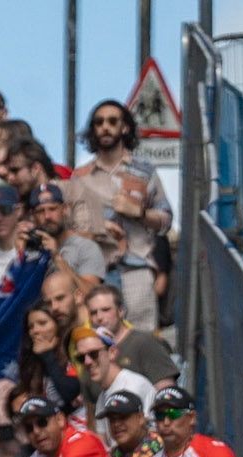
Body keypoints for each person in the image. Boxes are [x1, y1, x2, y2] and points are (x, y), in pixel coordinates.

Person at [65, 101, 172, 331]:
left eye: (112, 121)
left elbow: (165, 219)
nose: (105, 127)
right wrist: (98, 226)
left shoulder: (144, 171)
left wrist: (140, 213)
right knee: (98, 341)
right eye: (99, 122)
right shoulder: (81, 177)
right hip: (97, 273)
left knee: (141, 345)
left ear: (125, 127)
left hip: (137, 271)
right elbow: (70, 228)